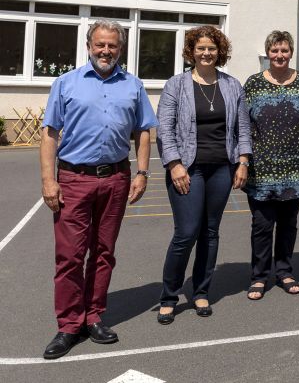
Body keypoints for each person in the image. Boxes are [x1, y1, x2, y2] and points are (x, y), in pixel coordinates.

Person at [39, 20, 157, 359]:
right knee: (70, 256)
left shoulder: (133, 86)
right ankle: (69, 325)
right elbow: (49, 134)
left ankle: (93, 317)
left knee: (104, 252)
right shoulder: (66, 84)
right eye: (100, 45)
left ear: (121, 49)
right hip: (74, 179)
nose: (106, 51)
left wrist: (143, 172)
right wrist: (49, 180)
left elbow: (143, 132)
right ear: (89, 45)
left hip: (116, 179)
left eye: (113, 46)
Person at [155, 25, 251, 325]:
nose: (206, 53)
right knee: (186, 233)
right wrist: (174, 164)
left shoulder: (232, 85)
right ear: (191, 52)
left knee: (210, 232)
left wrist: (243, 161)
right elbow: (164, 129)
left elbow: (243, 129)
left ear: (219, 51)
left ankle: (200, 291)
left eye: (212, 48)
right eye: (201, 48)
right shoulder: (176, 85)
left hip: (221, 168)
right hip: (187, 169)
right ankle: (169, 296)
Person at [243, 31, 299, 299]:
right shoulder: (253, 84)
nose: (279, 55)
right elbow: (241, 125)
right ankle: (259, 276)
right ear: (267, 53)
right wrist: (241, 160)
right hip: (261, 169)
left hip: (297, 169)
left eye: (284, 51)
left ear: (291, 53)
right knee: (263, 225)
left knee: (288, 223)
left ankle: (285, 271)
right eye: (275, 51)